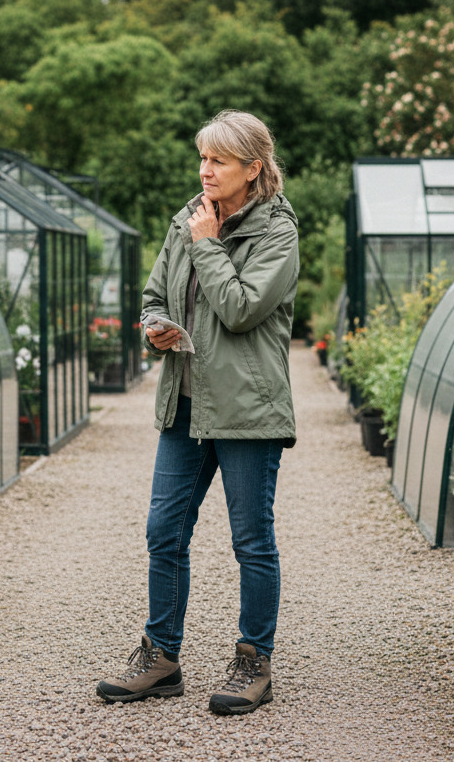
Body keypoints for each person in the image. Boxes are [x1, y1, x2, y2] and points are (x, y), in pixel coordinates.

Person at [96, 110, 299, 716]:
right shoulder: (185, 221)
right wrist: (153, 328)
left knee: (251, 540)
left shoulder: (278, 234)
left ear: (253, 169)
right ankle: (161, 657)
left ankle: (253, 661)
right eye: (202, 158)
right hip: (184, 402)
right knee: (164, 532)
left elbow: (238, 309)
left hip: (247, 412)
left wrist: (208, 246)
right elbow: (155, 294)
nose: (204, 170)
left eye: (218, 161)